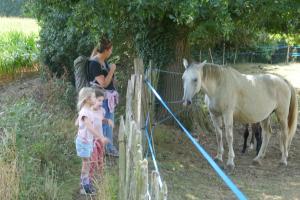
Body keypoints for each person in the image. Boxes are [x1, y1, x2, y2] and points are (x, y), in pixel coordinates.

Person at [89, 37, 119, 157]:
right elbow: (104, 83)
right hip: (102, 99)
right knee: (105, 123)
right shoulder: (94, 64)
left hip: (108, 98)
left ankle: (105, 148)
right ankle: (107, 149)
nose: (111, 52)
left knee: (107, 123)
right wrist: (112, 70)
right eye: (111, 50)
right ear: (106, 50)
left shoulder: (103, 61)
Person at [75, 87, 109, 195]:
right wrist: (101, 137)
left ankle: (86, 184)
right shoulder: (85, 112)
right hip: (84, 142)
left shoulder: (88, 110)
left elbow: (77, 123)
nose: (95, 99)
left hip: (87, 141)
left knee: (87, 163)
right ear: (87, 99)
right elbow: (90, 128)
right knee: (86, 163)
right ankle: (84, 187)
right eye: (94, 97)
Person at [89, 89, 113, 180]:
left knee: (100, 158)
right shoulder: (89, 112)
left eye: (102, 101)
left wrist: (108, 121)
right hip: (92, 140)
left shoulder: (101, 110)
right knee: (93, 159)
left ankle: (101, 177)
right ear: (93, 99)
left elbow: (101, 119)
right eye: (99, 100)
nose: (101, 103)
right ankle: (89, 179)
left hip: (100, 139)